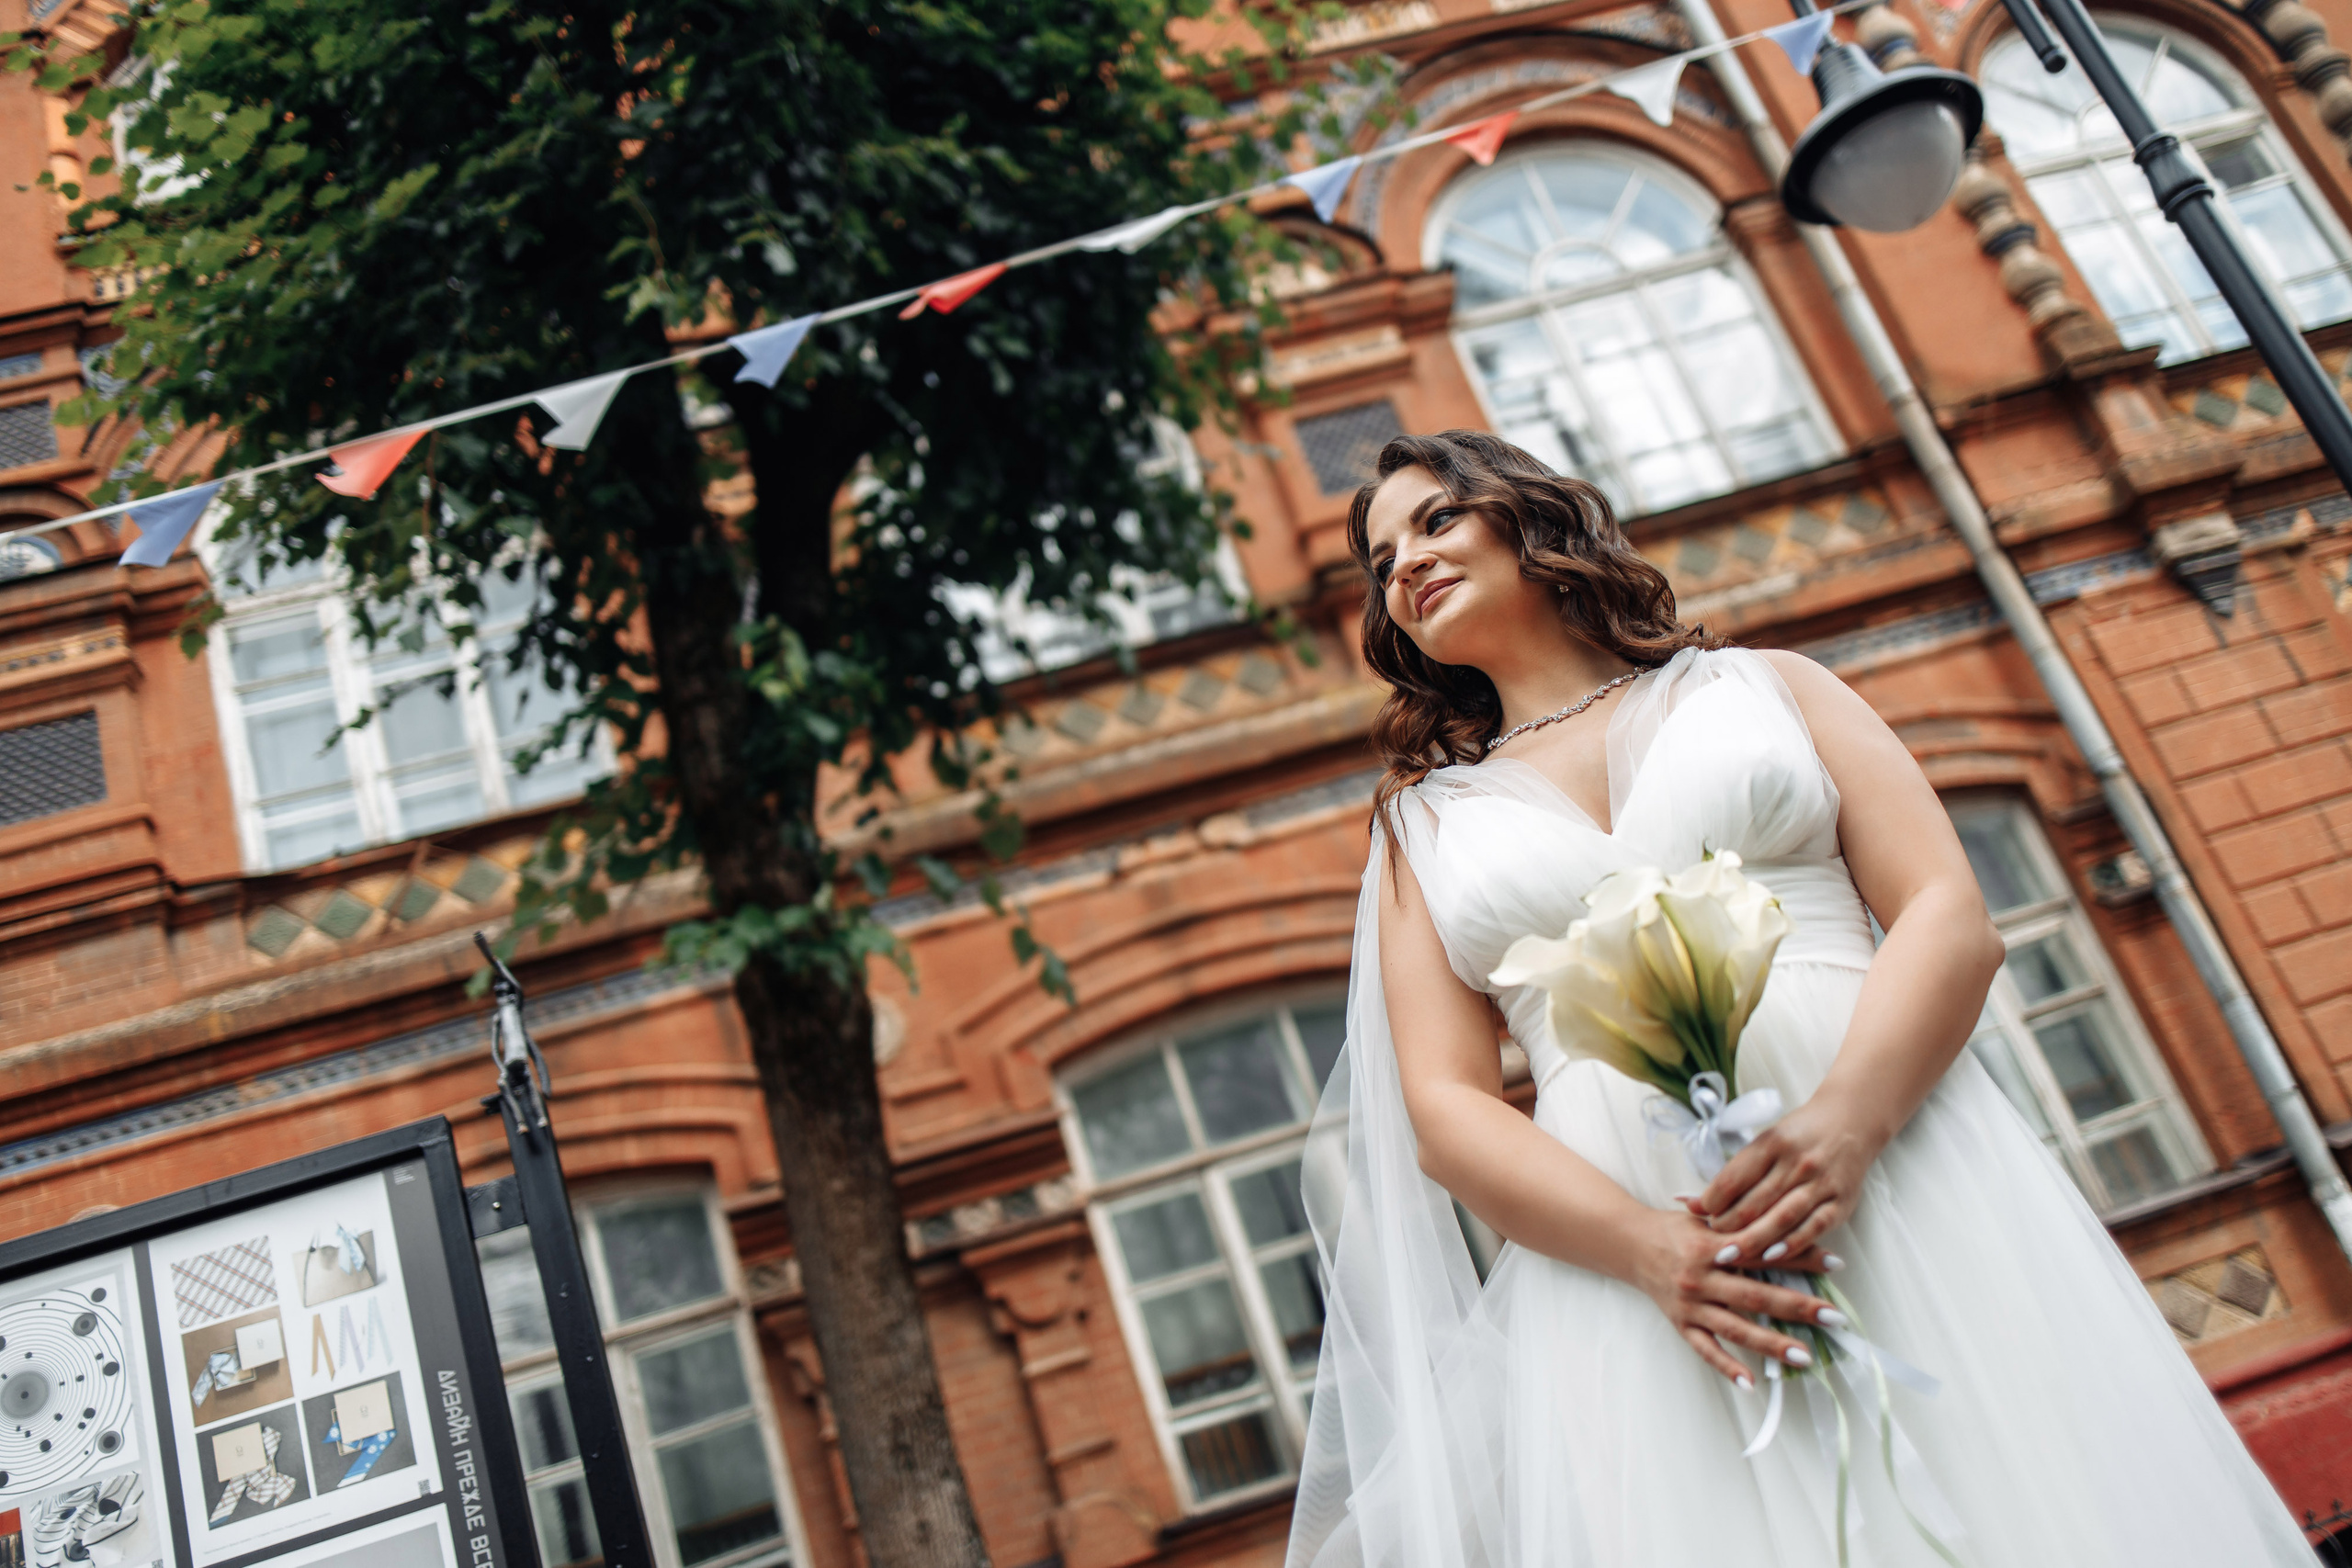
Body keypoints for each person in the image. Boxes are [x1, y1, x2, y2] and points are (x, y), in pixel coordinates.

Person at [1285, 430, 2311, 1567]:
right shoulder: (1422, 826)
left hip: (1902, 1158)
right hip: (1654, 1262)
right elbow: (1445, 1108)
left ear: (1531, 517)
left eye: (1436, 521)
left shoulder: (1770, 686)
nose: (1406, 565)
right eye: (1381, 563)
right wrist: (1647, 1251)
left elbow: (1944, 914)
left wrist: (1845, 1124)